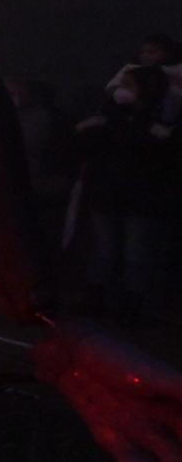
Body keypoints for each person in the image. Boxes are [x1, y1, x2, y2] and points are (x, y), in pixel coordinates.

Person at [74, 64, 179, 328]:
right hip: (109, 192)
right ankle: (99, 297)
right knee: (104, 249)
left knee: (137, 254)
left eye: (129, 85)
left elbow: (159, 154)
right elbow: (88, 146)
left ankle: (133, 305)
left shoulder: (161, 120)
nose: (121, 91)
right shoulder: (109, 115)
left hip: (142, 197)